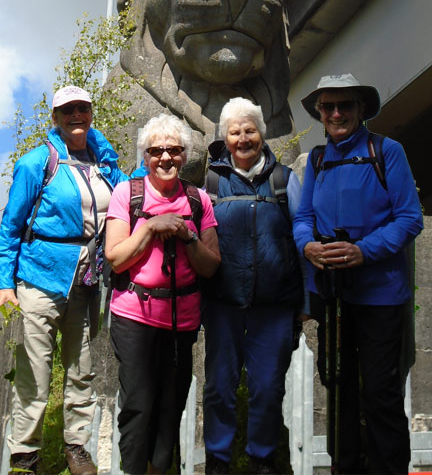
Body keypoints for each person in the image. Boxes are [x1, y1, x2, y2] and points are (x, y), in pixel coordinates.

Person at [293, 74, 424, 474]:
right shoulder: (317, 159)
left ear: (361, 109)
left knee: (382, 395)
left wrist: (362, 251)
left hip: (382, 296)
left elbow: (409, 218)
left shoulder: (388, 151)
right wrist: (308, 246)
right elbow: (303, 218)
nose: (336, 113)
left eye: (345, 106)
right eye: (328, 107)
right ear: (319, 113)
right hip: (334, 296)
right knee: (339, 389)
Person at [0, 85, 128, 475]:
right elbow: (10, 227)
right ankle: (25, 454)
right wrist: (5, 284)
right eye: (68, 110)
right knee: (35, 370)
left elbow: (132, 189)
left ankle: (77, 446)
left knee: (82, 366)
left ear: (91, 114)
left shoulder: (104, 164)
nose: (77, 115)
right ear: (55, 117)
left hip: (88, 281)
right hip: (40, 278)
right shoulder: (35, 163)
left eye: (83, 108)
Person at [105, 113, 220, 475]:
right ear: (146, 156)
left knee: (171, 405)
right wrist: (151, 227)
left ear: (184, 155)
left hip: (181, 318)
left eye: (174, 150)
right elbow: (116, 258)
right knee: (139, 403)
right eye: (156, 151)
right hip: (134, 315)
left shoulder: (199, 200)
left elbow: (211, 266)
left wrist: (187, 236)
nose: (165, 158)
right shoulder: (128, 193)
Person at [201, 97, 306, 475]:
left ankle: (263, 460)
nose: (243, 138)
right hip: (223, 304)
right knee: (218, 389)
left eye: (250, 130)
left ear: (261, 134)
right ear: (224, 139)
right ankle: (218, 460)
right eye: (235, 132)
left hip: (274, 305)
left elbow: (302, 236)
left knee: (267, 389)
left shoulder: (283, 180)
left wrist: (305, 300)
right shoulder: (212, 181)